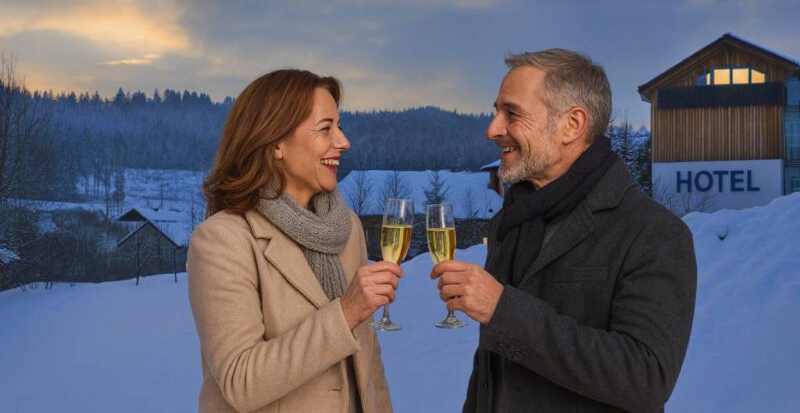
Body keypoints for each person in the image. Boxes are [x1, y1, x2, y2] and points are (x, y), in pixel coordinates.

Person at [431, 49, 697, 412]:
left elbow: (646, 377)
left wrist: (503, 310)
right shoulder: (512, 223)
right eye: (496, 112)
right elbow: (490, 373)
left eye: (512, 113)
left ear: (572, 125)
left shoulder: (654, 233)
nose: (492, 129)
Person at [188, 69, 397, 413]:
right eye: (325, 129)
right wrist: (344, 313)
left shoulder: (347, 229)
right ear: (276, 145)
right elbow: (241, 382)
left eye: (340, 126)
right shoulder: (222, 240)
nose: (343, 142)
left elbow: (369, 361)